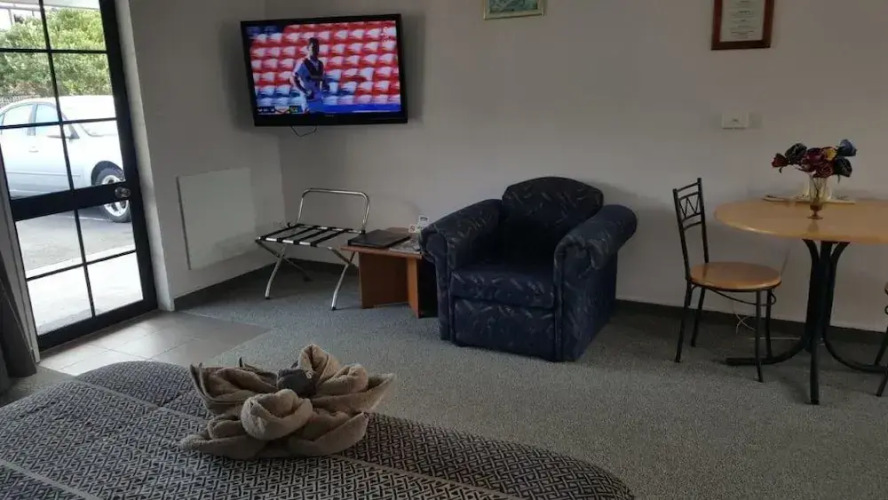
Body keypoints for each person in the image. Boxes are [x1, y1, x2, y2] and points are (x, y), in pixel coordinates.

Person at [290, 37, 327, 113]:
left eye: (317, 47)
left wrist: (325, 85)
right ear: (308, 48)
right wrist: (304, 91)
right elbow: (292, 78)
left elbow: (320, 79)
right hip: (308, 100)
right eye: (313, 47)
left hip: (318, 99)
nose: (315, 49)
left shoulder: (320, 64)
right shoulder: (303, 63)